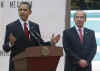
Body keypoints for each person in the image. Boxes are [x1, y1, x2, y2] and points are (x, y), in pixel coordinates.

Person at [3, 2, 60, 71]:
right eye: (20, 10)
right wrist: (10, 43)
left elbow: (40, 45)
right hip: (16, 66)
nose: (22, 12)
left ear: (30, 12)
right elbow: (5, 48)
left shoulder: (35, 26)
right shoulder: (11, 27)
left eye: (25, 10)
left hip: (33, 65)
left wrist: (51, 43)